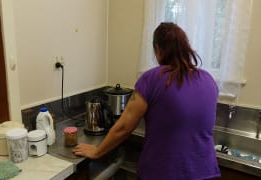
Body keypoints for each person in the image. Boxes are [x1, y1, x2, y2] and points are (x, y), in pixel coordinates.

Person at [73, 22, 221, 179]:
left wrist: (97, 151)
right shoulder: (209, 80)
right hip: (206, 172)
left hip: (163, 174)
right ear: (185, 48)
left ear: (158, 49)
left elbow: (124, 127)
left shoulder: (151, 78)